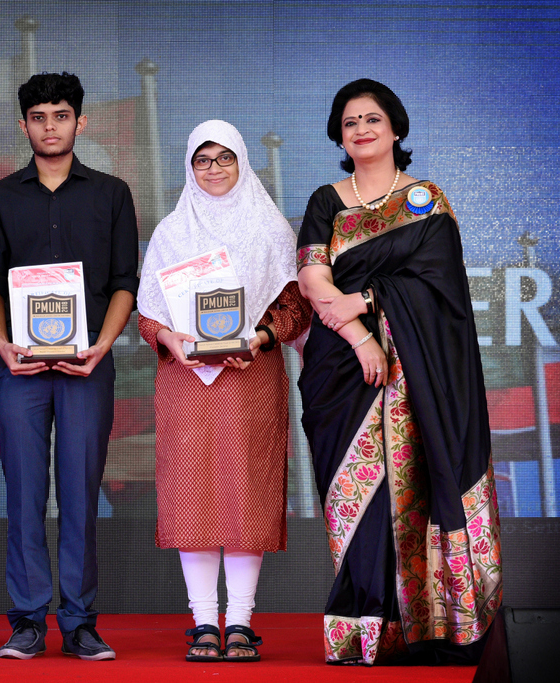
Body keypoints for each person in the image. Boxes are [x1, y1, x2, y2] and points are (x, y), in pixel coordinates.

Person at [296, 79, 502, 665]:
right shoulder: (327, 201)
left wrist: (366, 299)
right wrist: (362, 337)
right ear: (339, 136)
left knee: (419, 484)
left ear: (395, 129)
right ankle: (368, 628)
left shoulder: (426, 201)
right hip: (341, 368)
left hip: (420, 372)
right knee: (356, 499)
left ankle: (439, 622)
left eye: (372, 119)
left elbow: (442, 289)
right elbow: (312, 279)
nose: (361, 129)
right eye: (350, 122)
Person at [0, 72, 139, 661]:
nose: (50, 127)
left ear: (80, 122)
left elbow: (125, 282)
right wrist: (2, 344)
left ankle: (79, 622)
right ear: (24, 125)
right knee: (23, 494)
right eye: (39, 117)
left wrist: (102, 345)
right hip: (19, 366)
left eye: (61, 116)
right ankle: (26, 620)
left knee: (80, 493)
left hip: (87, 364)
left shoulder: (112, 193)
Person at [137, 120, 310, 662]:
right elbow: (148, 314)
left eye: (224, 158)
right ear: (189, 167)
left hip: (250, 377)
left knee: (245, 495)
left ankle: (239, 623)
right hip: (187, 379)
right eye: (203, 160)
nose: (213, 169)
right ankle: (203, 624)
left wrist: (261, 338)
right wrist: (170, 339)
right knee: (194, 497)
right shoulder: (171, 231)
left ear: (242, 162)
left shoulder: (270, 227)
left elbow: (295, 306)